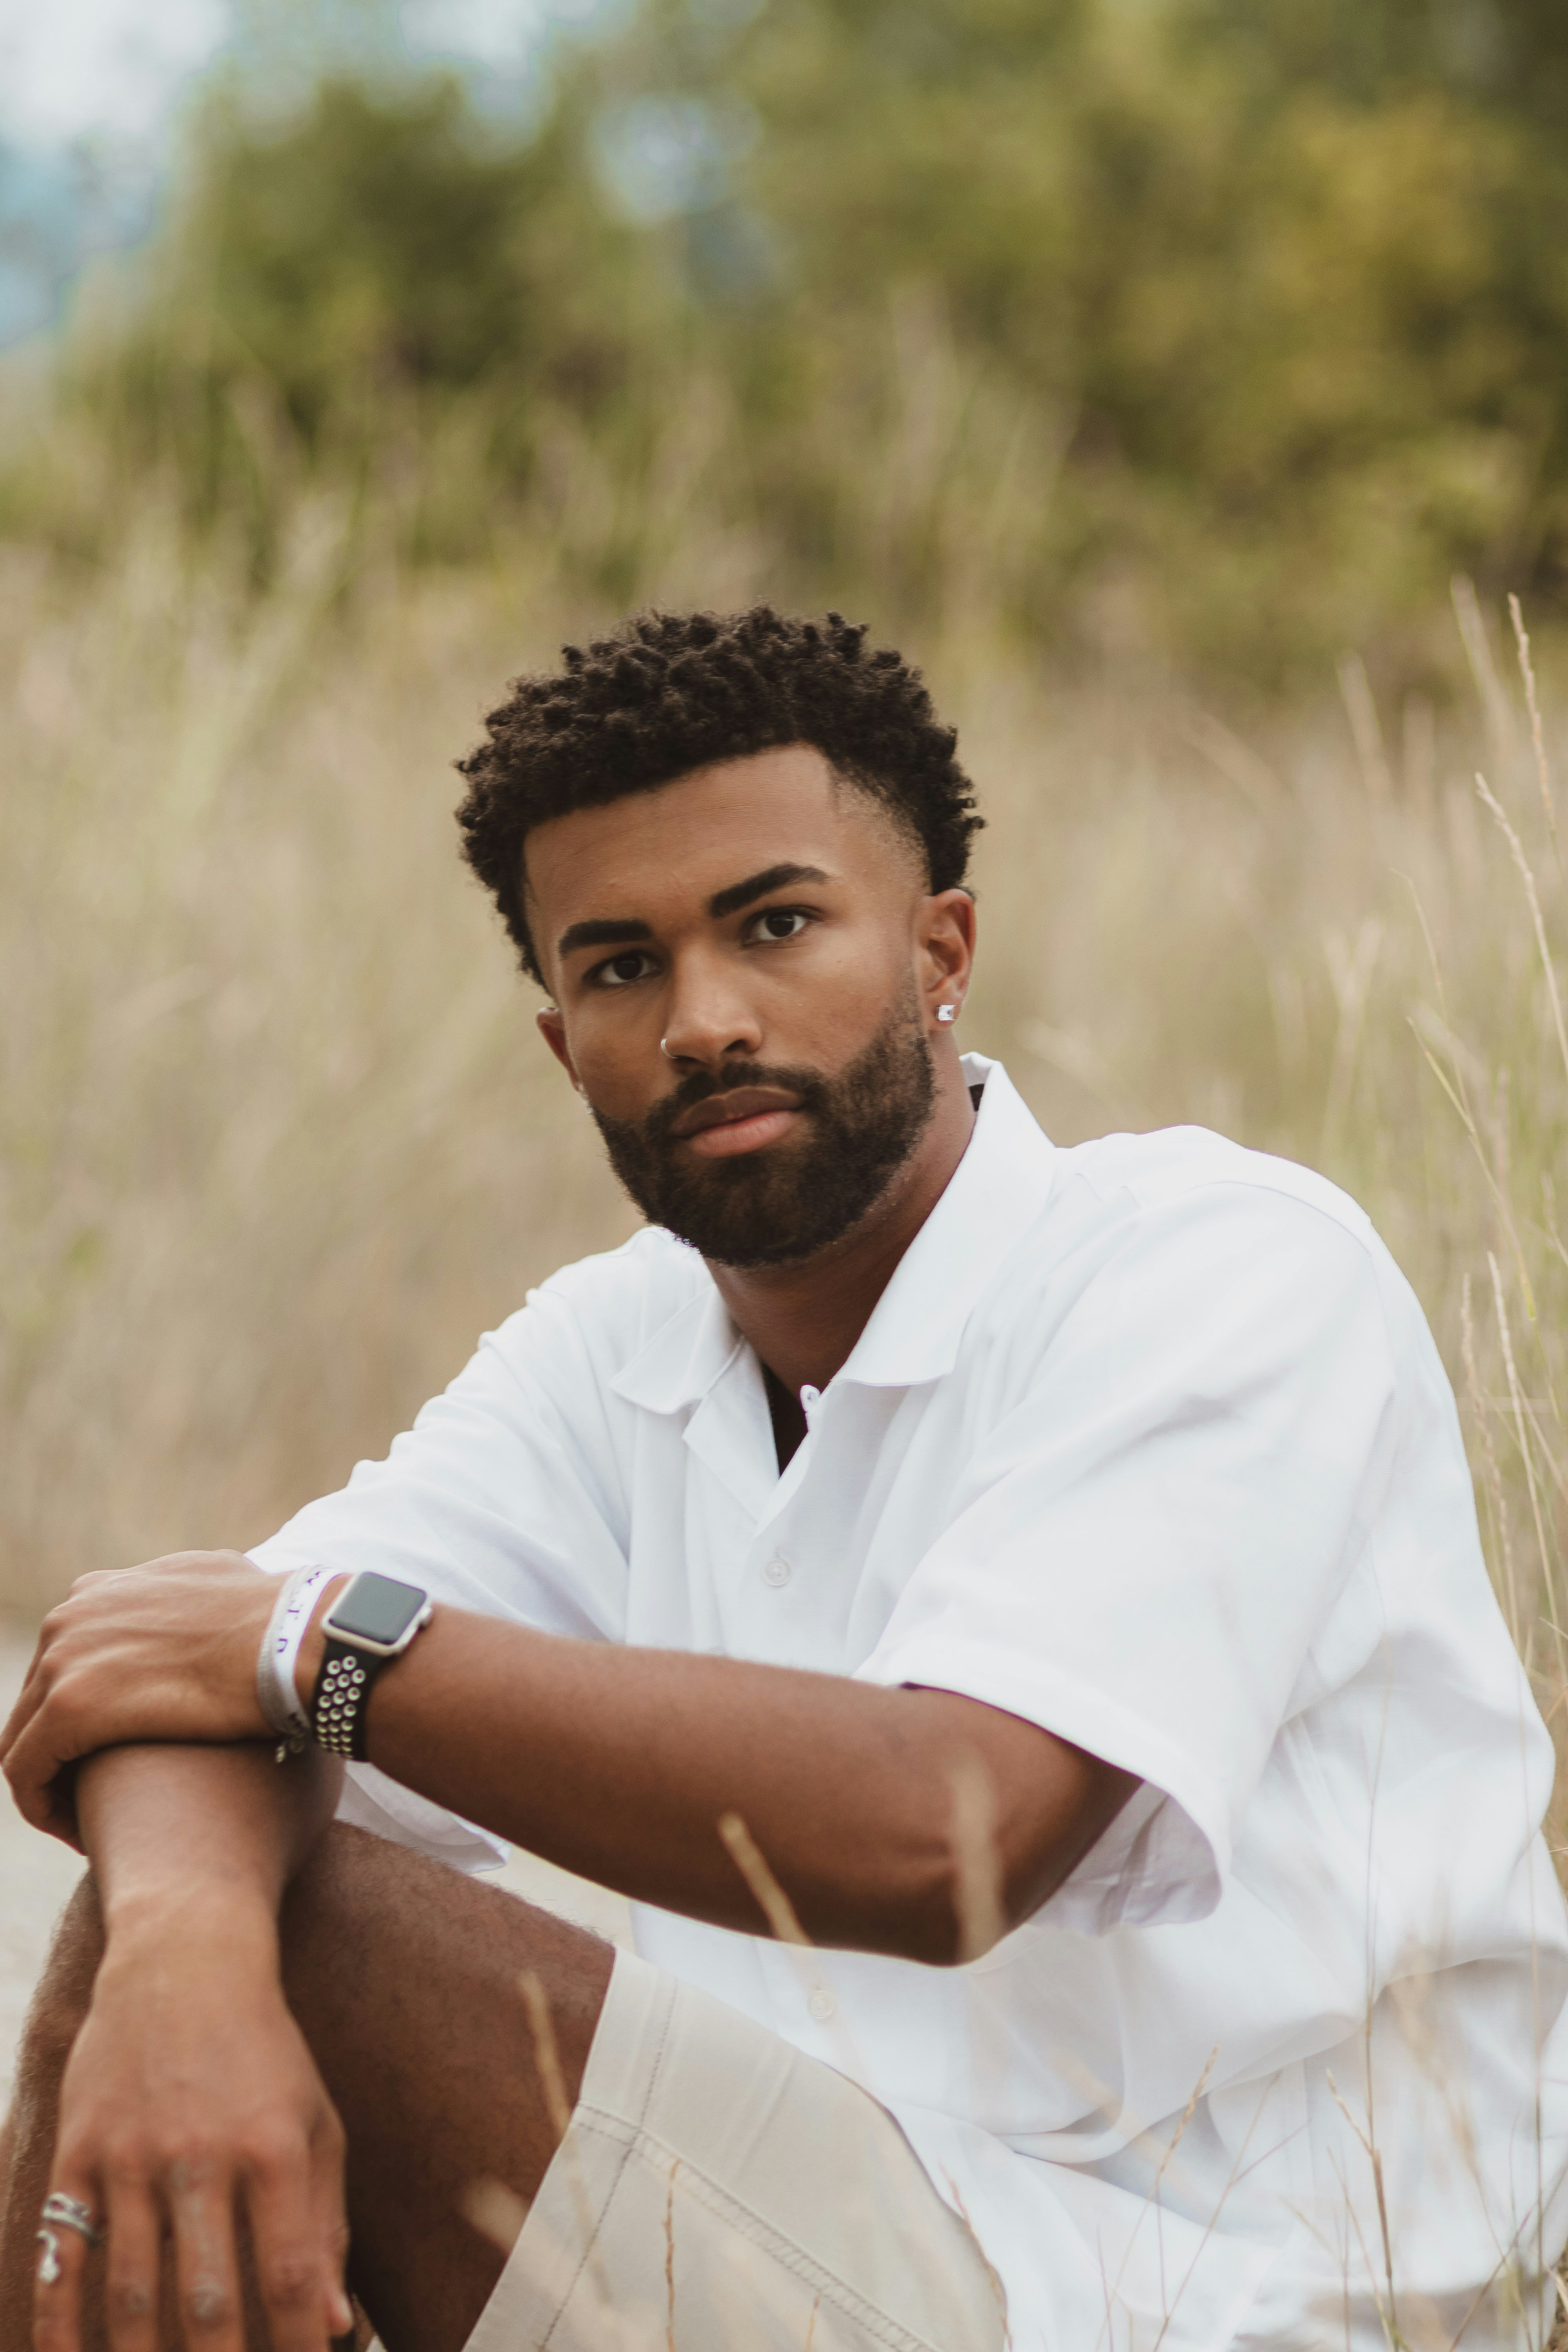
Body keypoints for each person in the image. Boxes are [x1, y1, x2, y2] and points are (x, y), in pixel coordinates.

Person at [2, 606, 1564, 2352]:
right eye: (618, 967)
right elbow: (169, 1684)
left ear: (936, 946)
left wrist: (318, 1648)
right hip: (881, 2245)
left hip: (1251, 2304)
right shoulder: (611, 1354)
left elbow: (948, 1841)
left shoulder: (1215, 1267)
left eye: (776, 924)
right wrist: (184, 1963)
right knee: (187, 1936)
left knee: (305, 1946)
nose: (703, 1020)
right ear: (559, 1044)